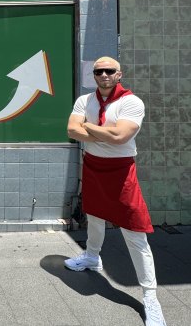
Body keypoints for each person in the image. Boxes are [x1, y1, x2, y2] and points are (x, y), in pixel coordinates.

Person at [65, 56, 166, 326]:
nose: (104, 74)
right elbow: (72, 130)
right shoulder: (84, 101)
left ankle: (151, 297)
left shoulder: (131, 102)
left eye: (110, 70)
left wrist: (89, 126)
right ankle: (91, 257)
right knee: (95, 216)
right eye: (99, 71)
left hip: (121, 171)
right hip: (93, 166)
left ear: (119, 74)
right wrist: (102, 131)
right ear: (94, 75)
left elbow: (121, 137)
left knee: (135, 232)